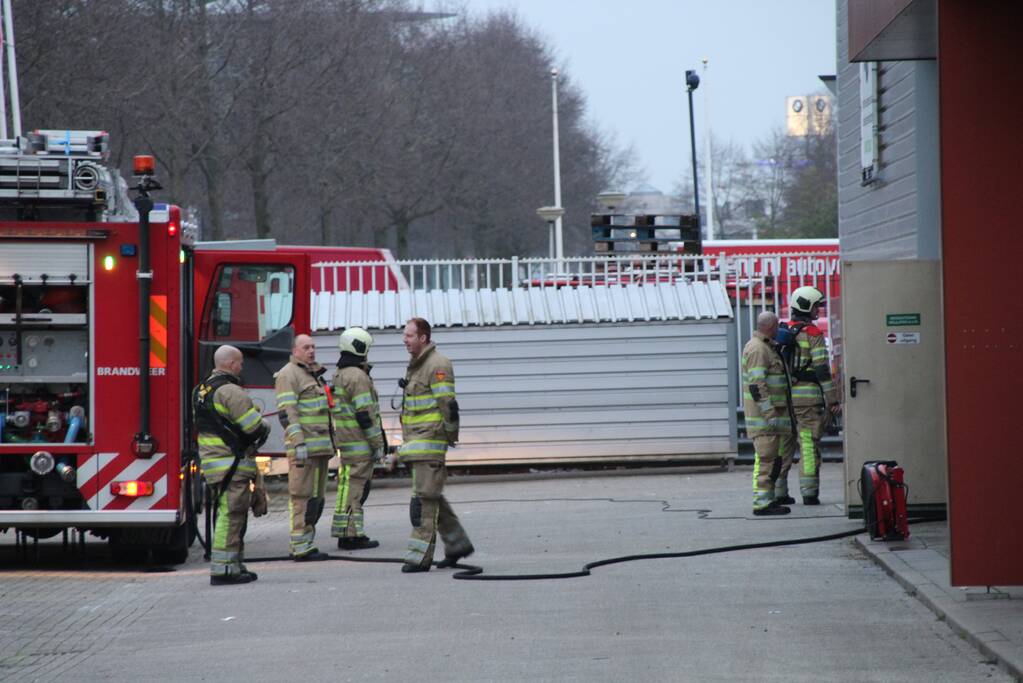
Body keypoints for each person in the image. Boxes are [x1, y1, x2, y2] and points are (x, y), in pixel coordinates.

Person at [397, 317, 474, 573]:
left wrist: (449, 437)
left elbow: (448, 406)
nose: (404, 340)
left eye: (409, 335)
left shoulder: (437, 364)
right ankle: (457, 545)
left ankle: (419, 558)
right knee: (432, 497)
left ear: (423, 338)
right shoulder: (417, 366)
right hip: (417, 445)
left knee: (423, 502)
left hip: (429, 444)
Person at [193, 345, 270, 585]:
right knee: (232, 515)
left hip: (214, 463)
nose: (241, 367)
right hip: (232, 464)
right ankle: (224, 569)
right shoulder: (231, 392)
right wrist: (260, 420)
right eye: (240, 363)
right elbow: (254, 428)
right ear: (230, 364)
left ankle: (234, 565)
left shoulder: (201, 390)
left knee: (229, 514)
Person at [776, 286, 841, 505]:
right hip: (808, 400)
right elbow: (822, 369)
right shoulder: (812, 334)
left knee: (784, 444)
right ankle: (809, 492)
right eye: (816, 306)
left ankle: (779, 492)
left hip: (785, 399)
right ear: (806, 306)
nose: (818, 311)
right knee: (808, 445)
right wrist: (832, 398)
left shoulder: (784, 331)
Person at [274, 334, 335, 561]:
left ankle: (308, 543)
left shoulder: (313, 374)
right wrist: (298, 442)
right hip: (304, 450)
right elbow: (287, 412)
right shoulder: (288, 374)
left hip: (319, 450)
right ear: (295, 350)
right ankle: (299, 546)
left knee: (315, 499)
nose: (311, 350)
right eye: (306, 347)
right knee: (301, 496)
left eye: (313, 346)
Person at [330, 327, 385, 550]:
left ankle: (347, 531)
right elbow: (365, 415)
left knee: (348, 487)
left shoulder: (341, 374)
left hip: (347, 441)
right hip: (360, 443)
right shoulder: (357, 376)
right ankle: (351, 536)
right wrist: (378, 444)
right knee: (356, 489)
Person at [742, 311, 793, 516]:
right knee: (766, 460)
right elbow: (757, 385)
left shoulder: (766, 347)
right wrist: (769, 412)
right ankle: (762, 503)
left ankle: (769, 499)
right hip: (764, 419)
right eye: (778, 325)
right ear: (772, 326)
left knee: (773, 460)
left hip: (771, 418)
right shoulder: (758, 349)